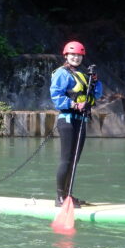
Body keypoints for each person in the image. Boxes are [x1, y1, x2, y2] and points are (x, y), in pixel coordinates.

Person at [50, 40, 103, 207]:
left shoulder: (81, 75)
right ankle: (60, 198)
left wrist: (95, 81)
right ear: (66, 55)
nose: (76, 58)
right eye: (73, 55)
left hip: (81, 120)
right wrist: (74, 105)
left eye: (79, 55)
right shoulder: (61, 73)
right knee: (66, 160)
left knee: (74, 160)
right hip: (67, 120)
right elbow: (57, 96)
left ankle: (69, 196)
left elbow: (96, 94)